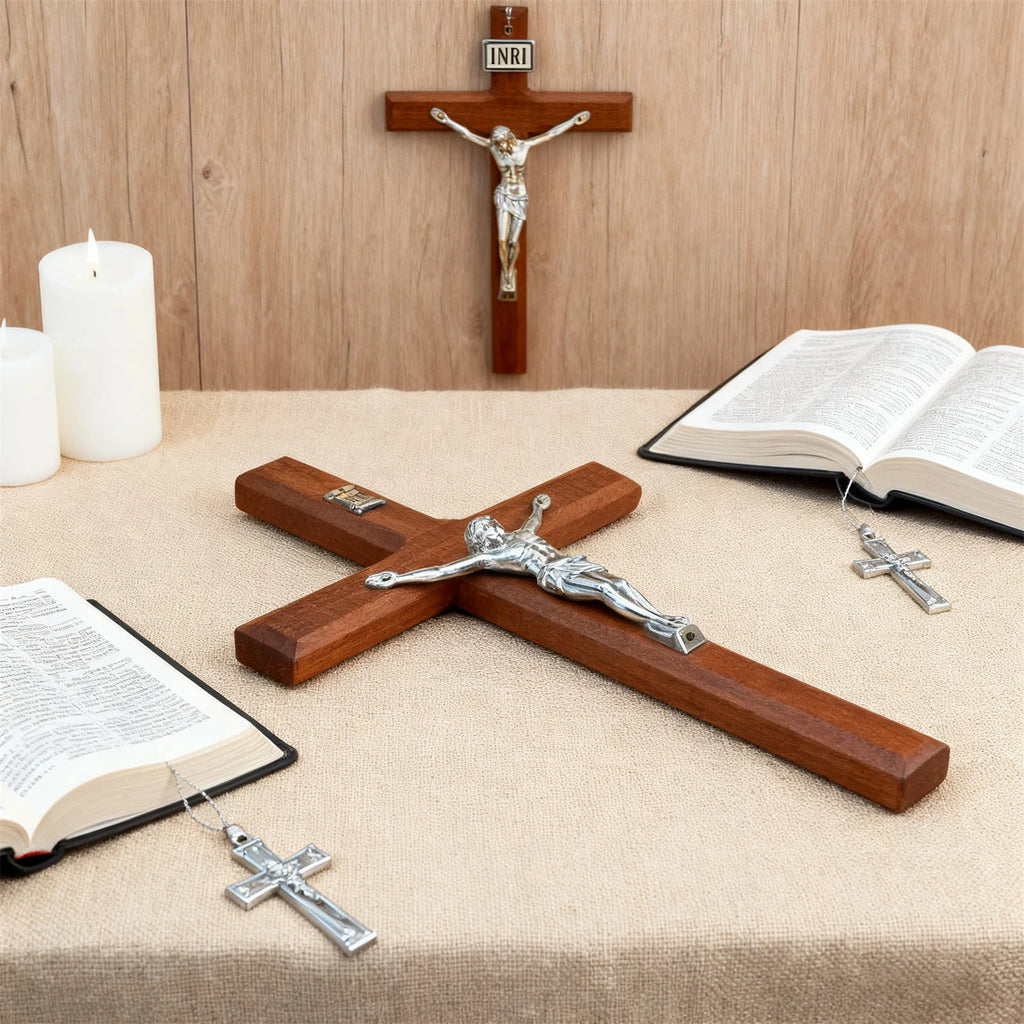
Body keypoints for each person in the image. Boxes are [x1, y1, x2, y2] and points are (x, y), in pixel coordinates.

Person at [366, 493, 705, 653]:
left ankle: (663, 618)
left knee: (619, 582)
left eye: (489, 523)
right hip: (553, 576)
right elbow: (443, 570)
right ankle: (656, 624)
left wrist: (537, 507)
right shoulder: (491, 557)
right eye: (483, 529)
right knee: (606, 592)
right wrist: (398, 578)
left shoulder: (518, 536)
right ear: (480, 540)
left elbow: (532, 523)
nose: (490, 528)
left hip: (571, 561)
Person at [431, 107, 591, 300]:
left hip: (521, 196)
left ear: (508, 136)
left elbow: (551, 133)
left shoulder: (524, 146)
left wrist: (574, 121)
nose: (499, 146)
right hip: (504, 194)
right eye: (496, 143)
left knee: (513, 241)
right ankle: (506, 275)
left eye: (500, 142)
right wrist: (446, 120)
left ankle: (510, 271)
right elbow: (467, 134)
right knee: (501, 240)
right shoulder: (493, 147)